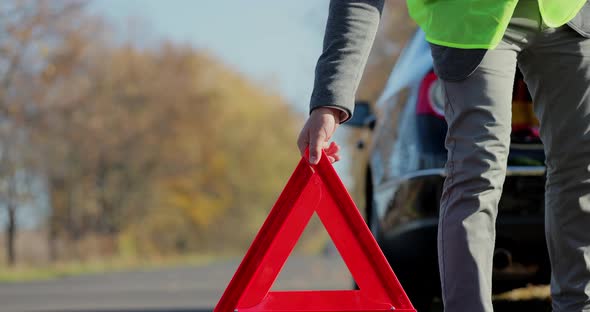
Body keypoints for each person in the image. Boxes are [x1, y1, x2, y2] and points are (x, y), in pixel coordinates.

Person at [296, 0, 590, 311]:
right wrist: (330, 99)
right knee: (476, 173)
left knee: (582, 168)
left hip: (567, 13)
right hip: (469, 21)